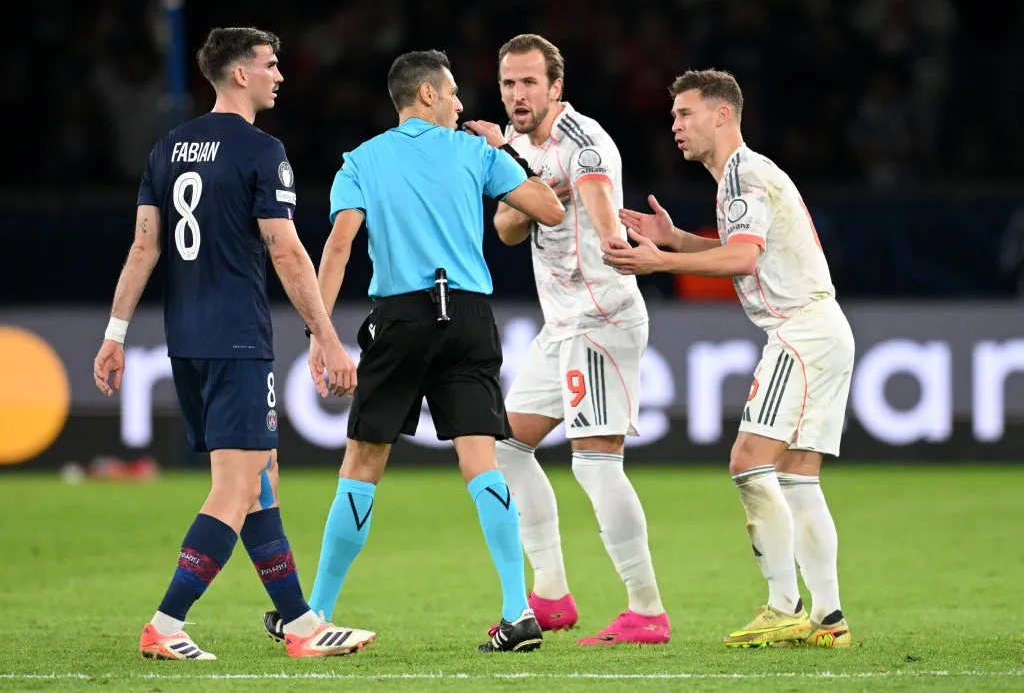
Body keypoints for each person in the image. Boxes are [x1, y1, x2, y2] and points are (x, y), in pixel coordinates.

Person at [259, 49, 565, 653]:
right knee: (482, 459)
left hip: (402, 317)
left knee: (363, 462)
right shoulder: (477, 153)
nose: (461, 104)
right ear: (426, 94)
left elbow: (339, 248)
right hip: (472, 317)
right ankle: (517, 609)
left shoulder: (361, 161)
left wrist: (321, 336)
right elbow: (550, 211)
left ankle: (316, 610)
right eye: (453, 93)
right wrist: (500, 152)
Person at [91, 26, 375, 660]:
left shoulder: (167, 148)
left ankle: (300, 622)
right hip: (238, 340)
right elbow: (286, 250)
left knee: (259, 479)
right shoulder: (261, 150)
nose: (280, 75)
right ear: (240, 74)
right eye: (271, 65)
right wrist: (326, 338)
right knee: (236, 488)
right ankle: (167, 622)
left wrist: (115, 334)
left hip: (184, 340)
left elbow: (144, 247)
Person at [602, 69, 854, 649]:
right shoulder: (746, 175)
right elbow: (743, 251)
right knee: (796, 475)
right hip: (822, 327)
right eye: (672, 117)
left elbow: (741, 261)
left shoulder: (741, 175)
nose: (675, 126)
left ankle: (783, 605)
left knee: (748, 460)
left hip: (800, 330)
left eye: (684, 114)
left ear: (721, 115)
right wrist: (676, 241)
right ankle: (828, 616)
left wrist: (658, 264)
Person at [463, 34, 671, 646]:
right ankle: (550, 594)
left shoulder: (584, 143)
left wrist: (614, 239)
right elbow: (503, 226)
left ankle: (646, 609)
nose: (517, 94)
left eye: (530, 82)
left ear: (557, 87)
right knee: (506, 448)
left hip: (601, 317)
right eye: (508, 83)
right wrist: (527, 196)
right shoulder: (516, 144)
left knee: (596, 462)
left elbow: (600, 204)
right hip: (561, 327)